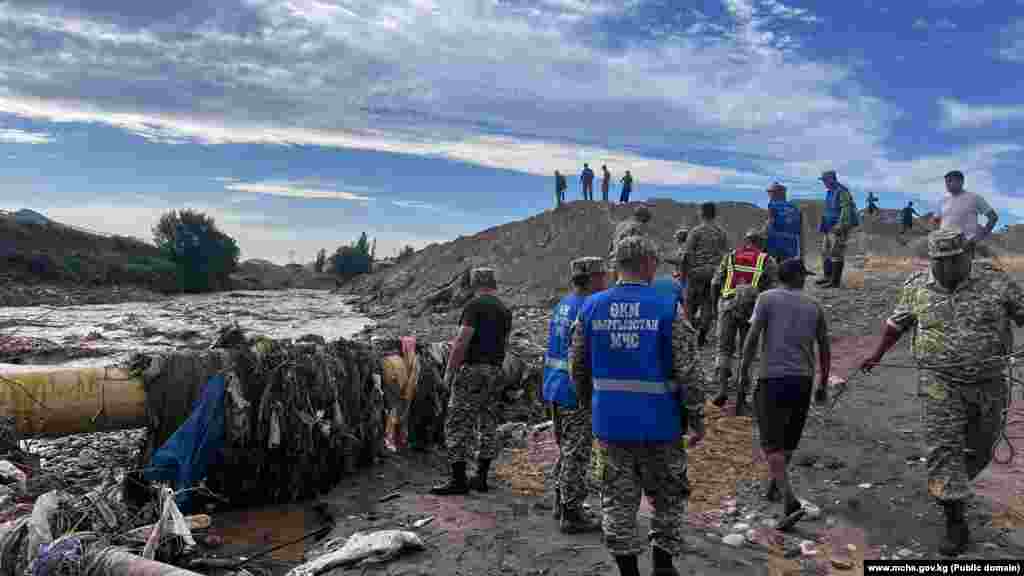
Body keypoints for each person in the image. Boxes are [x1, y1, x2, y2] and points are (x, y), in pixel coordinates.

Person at [859, 230, 1022, 556]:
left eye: (953, 261)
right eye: (939, 262)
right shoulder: (917, 286)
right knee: (944, 447)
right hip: (938, 381)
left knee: (980, 449)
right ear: (931, 260)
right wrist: (877, 354)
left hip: (989, 383)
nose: (946, 268)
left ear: (968, 256)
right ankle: (955, 521)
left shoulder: (998, 282)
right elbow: (897, 324)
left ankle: (953, 484)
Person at [571, 235, 705, 576]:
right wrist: (696, 415)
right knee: (668, 497)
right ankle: (663, 566)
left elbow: (578, 367)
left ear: (618, 265)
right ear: (648, 264)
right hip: (661, 424)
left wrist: (591, 404)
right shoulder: (665, 306)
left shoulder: (591, 307)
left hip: (611, 425)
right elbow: (688, 369)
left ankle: (628, 571)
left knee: (617, 501)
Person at [740, 258, 830, 530]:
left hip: (772, 378)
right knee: (788, 440)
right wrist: (823, 383)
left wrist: (743, 370)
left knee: (772, 443)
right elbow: (824, 347)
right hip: (803, 381)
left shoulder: (766, 299)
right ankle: (776, 485)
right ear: (799, 278)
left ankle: (789, 501)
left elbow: (753, 336)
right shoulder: (814, 306)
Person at [431, 268, 513, 496]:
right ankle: (481, 478)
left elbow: (461, 342)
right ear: (493, 284)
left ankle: (458, 480)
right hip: (495, 371)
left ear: (475, 284)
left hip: (472, 371)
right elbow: (505, 344)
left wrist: (449, 372)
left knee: (457, 423)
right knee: (487, 424)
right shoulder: (504, 310)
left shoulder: (474, 306)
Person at [543, 256, 608, 533]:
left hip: (554, 386)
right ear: (593, 278)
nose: (606, 280)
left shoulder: (564, 304)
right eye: (603, 276)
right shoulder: (590, 307)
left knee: (567, 449)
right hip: (574, 391)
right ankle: (571, 513)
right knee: (576, 453)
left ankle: (562, 502)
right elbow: (585, 358)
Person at [710, 228, 777, 413]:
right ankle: (742, 396)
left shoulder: (730, 256)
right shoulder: (767, 260)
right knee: (747, 353)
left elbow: (715, 283)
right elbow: (772, 289)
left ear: (746, 241)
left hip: (727, 305)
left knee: (723, 349)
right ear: (760, 243)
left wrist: (717, 305)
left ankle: (721, 389)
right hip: (752, 309)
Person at [680, 202, 728, 347]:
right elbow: (725, 255)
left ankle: (689, 336)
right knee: (708, 303)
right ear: (714, 214)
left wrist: (683, 275)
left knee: (689, 303)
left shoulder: (696, 232)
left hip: (696, 273)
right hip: (714, 273)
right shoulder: (721, 233)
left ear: (701, 213)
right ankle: (703, 332)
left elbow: (686, 255)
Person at [937, 170, 998, 256]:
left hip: (966, 245)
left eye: (950, 181)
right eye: (946, 182)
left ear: (961, 182)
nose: (947, 184)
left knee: (965, 269)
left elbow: (993, 217)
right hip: (943, 245)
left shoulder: (974, 198)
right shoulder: (943, 200)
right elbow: (937, 219)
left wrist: (979, 237)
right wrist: (936, 235)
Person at [816, 170, 856, 289]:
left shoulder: (842, 191)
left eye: (825, 180)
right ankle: (827, 277)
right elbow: (828, 210)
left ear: (831, 179)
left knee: (836, 252)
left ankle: (834, 281)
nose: (824, 183)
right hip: (829, 227)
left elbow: (846, 208)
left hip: (838, 227)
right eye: (823, 180)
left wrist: (841, 224)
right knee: (825, 252)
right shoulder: (830, 192)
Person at [608, 204, 653, 281]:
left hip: (615, 263)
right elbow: (638, 249)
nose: (646, 222)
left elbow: (611, 245)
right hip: (627, 267)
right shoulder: (638, 227)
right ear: (642, 217)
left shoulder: (621, 225)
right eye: (646, 219)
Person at [763, 182, 804, 263]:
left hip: (776, 243)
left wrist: (762, 232)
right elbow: (800, 230)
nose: (769, 195)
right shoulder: (794, 207)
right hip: (792, 244)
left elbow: (770, 223)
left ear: (776, 194)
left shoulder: (773, 205)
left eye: (771, 192)